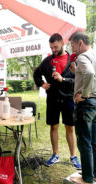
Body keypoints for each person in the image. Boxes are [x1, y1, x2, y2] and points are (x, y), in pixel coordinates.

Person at [33, 33, 81, 169]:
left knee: (69, 127)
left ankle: (73, 156)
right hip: (52, 99)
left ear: (62, 44)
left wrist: (63, 79)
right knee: (53, 126)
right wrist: (42, 83)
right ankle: (55, 155)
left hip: (68, 98)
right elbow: (36, 73)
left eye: (56, 47)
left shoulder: (73, 60)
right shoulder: (48, 61)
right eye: (51, 47)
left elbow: (78, 81)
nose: (53, 50)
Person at [68, 31, 96, 184]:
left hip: (86, 104)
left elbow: (89, 73)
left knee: (84, 142)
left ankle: (87, 179)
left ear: (80, 43)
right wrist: (75, 71)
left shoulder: (83, 57)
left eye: (73, 45)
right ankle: (94, 174)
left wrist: (84, 94)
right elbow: (89, 73)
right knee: (93, 141)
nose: (73, 49)